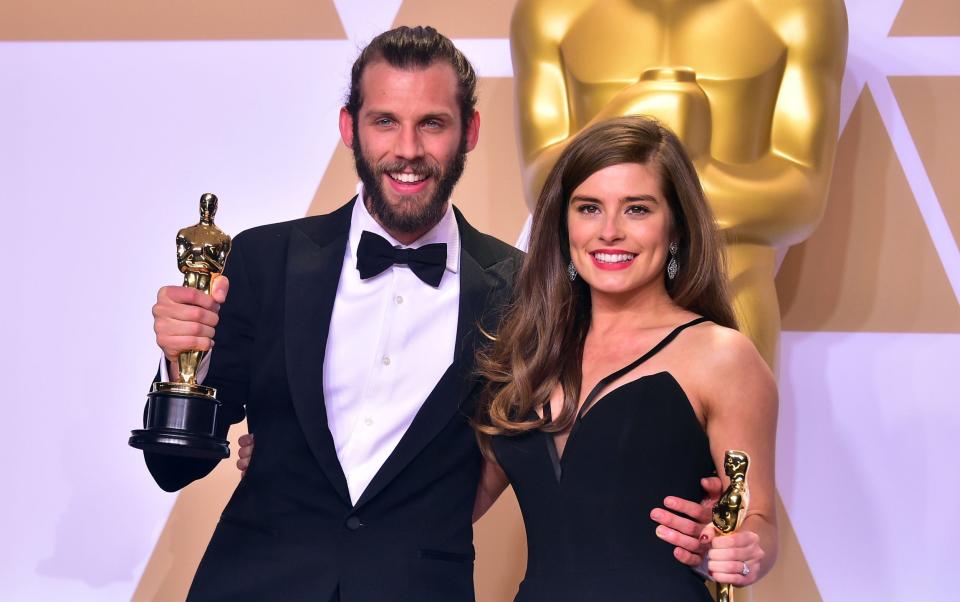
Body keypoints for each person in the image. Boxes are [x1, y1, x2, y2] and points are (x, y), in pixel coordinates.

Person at [146, 27, 717, 601]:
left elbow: (594, 427)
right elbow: (175, 468)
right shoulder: (264, 259)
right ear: (350, 128)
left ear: (468, 131)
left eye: (433, 123)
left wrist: (710, 513)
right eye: (385, 121)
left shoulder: (528, 290)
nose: (409, 150)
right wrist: (181, 367)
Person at [472, 115, 779, 600]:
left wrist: (741, 546)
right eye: (589, 208)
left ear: (675, 227)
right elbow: (454, 503)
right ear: (563, 223)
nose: (609, 231)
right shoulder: (526, 353)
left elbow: (758, 517)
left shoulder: (721, 356)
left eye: (637, 209)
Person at [510, 0, 848, 368]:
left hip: (729, 279)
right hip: (586, 290)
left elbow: (802, 197)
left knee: (725, 397)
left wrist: (676, 180)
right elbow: (541, 184)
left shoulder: (800, 10)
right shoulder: (548, 11)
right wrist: (634, 110)